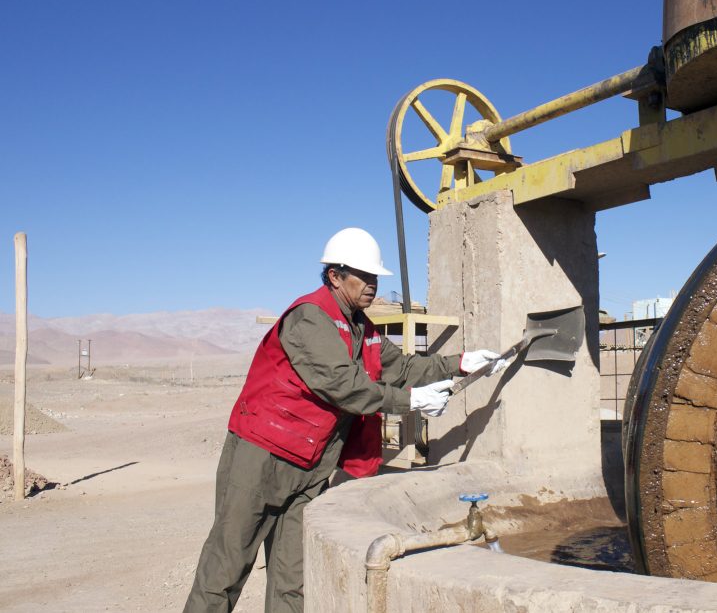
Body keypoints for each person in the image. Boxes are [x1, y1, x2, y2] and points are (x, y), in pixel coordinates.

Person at [184, 227, 503, 612]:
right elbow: (343, 385)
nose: (372, 285)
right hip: (262, 458)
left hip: (311, 466)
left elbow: (399, 367)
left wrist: (461, 363)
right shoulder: (310, 318)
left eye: (374, 278)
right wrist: (412, 401)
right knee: (227, 566)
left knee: (293, 580)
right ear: (334, 275)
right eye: (363, 276)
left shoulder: (361, 328)